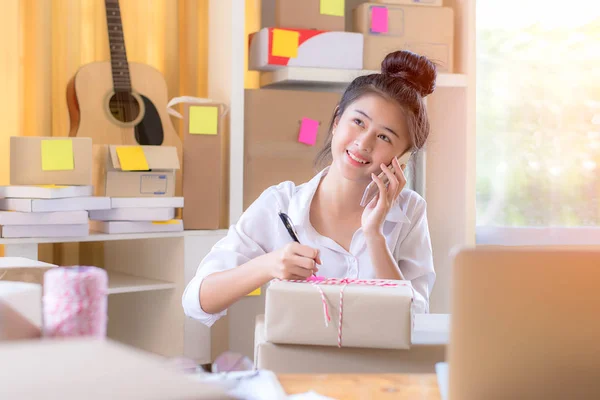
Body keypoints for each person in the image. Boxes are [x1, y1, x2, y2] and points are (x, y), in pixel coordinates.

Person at [183, 50, 437, 327]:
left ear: (402, 157)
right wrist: (268, 265)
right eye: (358, 122)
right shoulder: (280, 204)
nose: (364, 143)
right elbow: (197, 301)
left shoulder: (410, 212)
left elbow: (412, 321)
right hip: (297, 367)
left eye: (384, 137)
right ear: (337, 120)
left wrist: (374, 235)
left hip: (377, 369)